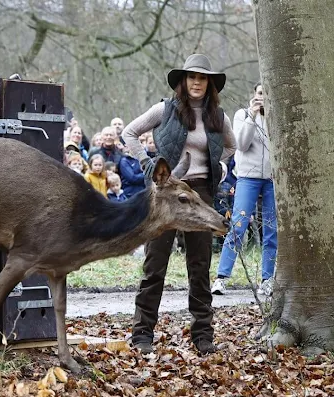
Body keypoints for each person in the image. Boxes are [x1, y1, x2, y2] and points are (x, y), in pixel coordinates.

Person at [122, 53, 236, 355]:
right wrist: (148, 165)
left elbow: (231, 146)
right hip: (166, 193)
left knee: (199, 267)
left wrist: (219, 166)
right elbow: (129, 132)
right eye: (191, 77)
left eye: (202, 77)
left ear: (208, 83)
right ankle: (142, 334)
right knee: (154, 264)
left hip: (201, 194)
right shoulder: (165, 109)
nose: (196, 82)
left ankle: (203, 336)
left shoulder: (218, 116)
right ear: (183, 81)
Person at [211, 82, 277, 297]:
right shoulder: (242, 115)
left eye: (266, 93)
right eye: (260, 93)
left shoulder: (277, 116)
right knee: (238, 226)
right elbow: (241, 144)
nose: (263, 97)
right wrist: (253, 115)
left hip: (272, 179)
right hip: (247, 177)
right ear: (254, 95)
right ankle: (221, 277)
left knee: (271, 230)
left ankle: (267, 279)